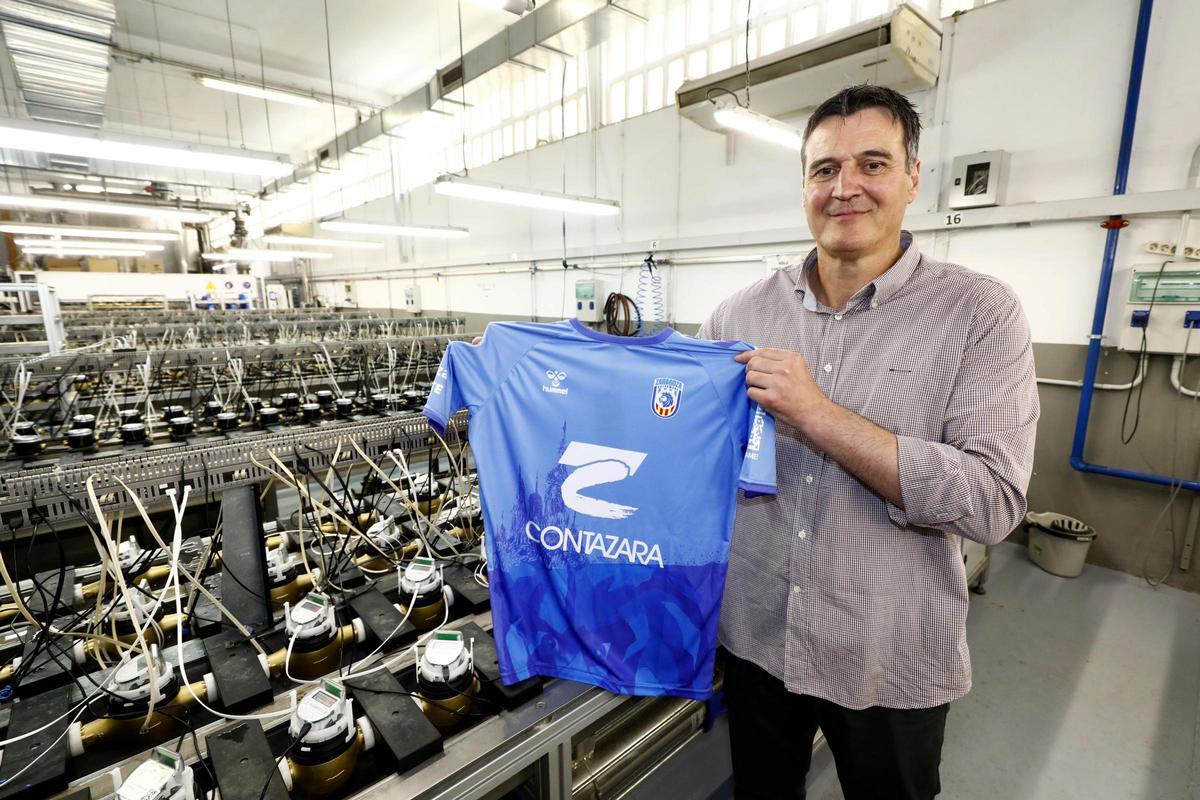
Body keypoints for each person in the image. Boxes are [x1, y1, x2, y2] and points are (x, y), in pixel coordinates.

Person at [697, 84, 1039, 799]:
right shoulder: (738, 313)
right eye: (825, 170)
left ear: (914, 178)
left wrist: (818, 415)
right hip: (757, 638)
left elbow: (993, 501)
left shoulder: (979, 314)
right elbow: (697, 461)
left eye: (872, 164)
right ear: (804, 188)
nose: (845, 187)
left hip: (887, 655)